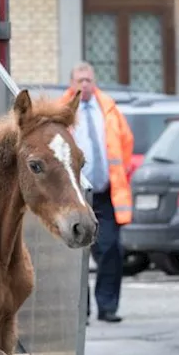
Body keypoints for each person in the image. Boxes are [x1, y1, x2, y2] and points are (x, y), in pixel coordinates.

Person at [59, 62, 134, 323]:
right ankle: (83, 311)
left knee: (111, 249)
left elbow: (125, 144)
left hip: (106, 192)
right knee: (78, 251)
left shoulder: (109, 109)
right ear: (72, 84)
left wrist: (119, 174)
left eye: (88, 80)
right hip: (75, 194)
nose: (84, 85)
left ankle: (108, 307)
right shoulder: (62, 112)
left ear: (94, 82)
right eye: (80, 80)